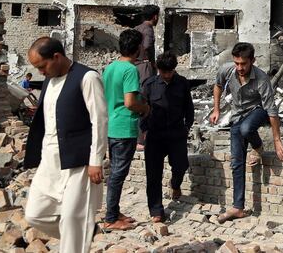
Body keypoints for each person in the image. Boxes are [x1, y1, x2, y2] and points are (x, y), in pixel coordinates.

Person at [23, 37, 107, 253]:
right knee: (35, 213)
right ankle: (83, 232)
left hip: (78, 163)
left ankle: (78, 236)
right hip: (50, 162)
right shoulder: (50, 80)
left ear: (57, 57)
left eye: (42, 66)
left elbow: (99, 120)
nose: (40, 72)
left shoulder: (87, 78)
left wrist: (96, 160)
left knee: (72, 220)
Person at [209, 42, 283, 222]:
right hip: (238, 115)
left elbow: (272, 111)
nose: (239, 68)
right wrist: (216, 109)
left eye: (243, 64)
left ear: (252, 61)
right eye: (236, 63)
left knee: (246, 128)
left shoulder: (261, 79)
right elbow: (218, 85)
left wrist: (276, 140)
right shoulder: (227, 71)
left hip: (258, 111)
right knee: (236, 161)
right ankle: (238, 207)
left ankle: (258, 147)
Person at [102, 29, 151, 230]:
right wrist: (145, 108)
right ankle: (111, 217)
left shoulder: (110, 67)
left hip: (111, 125)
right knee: (117, 174)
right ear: (137, 47)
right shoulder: (130, 70)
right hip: (124, 127)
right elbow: (130, 102)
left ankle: (114, 210)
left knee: (115, 172)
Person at [141, 51, 194, 223]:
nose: (167, 75)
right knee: (153, 174)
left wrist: (186, 127)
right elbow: (142, 109)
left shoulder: (182, 84)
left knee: (181, 165)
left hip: (176, 133)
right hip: (155, 135)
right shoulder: (149, 85)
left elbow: (189, 108)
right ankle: (156, 210)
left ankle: (176, 184)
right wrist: (143, 130)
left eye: (170, 71)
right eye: (164, 72)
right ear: (158, 69)